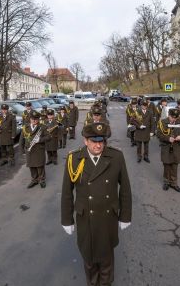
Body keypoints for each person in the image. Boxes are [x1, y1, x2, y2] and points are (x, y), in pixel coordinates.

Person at [61, 122, 132, 286]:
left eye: (102, 140)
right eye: (94, 141)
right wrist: (67, 219)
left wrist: (125, 216)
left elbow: (126, 189)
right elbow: (66, 192)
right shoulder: (74, 158)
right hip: (86, 216)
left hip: (108, 216)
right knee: (89, 258)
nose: (98, 145)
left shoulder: (116, 157)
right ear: (85, 140)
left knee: (107, 258)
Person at [156, 108, 180, 192]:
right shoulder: (162, 122)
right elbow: (158, 134)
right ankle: (166, 182)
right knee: (166, 165)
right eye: (172, 117)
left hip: (176, 147)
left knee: (174, 166)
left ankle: (174, 183)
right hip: (166, 147)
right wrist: (167, 138)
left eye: (175, 117)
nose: (173, 119)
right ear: (169, 115)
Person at [20, 110, 49, 188]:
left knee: (40, 166)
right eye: (32, 119)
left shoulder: (43, 127)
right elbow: (21, 139)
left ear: (38, 119)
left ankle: (42, 180)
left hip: (39, 150)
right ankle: (34, 180)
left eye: (36, 119)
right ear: (30, 119)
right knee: (31, 166)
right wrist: (22, 150)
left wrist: (40, 140)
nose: (34, 120)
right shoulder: (25, 127)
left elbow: (49, 137)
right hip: (29, 150)